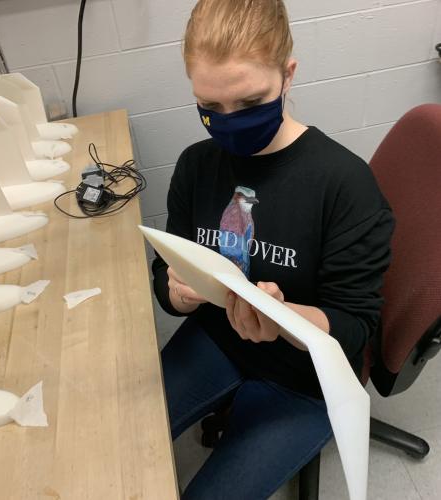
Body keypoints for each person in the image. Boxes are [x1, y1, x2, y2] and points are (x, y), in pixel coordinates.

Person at [151, 1, 395, 498]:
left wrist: (287, 319)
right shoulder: (197, 166)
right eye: (210, 108)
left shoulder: (344, 185)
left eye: (249, 102)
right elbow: (166, 275)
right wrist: (178, 291)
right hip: (216, 339)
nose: (229, 123)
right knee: (119, 442)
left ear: (288, 75)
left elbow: (353, 328)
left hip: (303, 378)